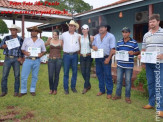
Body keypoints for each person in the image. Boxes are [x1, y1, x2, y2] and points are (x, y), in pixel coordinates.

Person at [105, 27, 140, 104]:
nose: (124, 34)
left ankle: (127, 97)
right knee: (119, 80)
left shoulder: (134, 42)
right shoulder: (119, 42)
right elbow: (117, 51)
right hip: (120, 65)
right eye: (123, 32)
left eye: (126, 32)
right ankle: (118, 95)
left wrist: (133, 53)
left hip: (129, 66)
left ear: (129, 33)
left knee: (128, 81)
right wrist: (114, 52)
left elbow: (138, 52)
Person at [139, 14, 163, 117]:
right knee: (151, 84)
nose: (151, 23)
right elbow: (144, 49)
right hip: (149, 64)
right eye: (150, 22)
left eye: (153, 21)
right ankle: (151, 103)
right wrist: (142, 56)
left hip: (160, 64)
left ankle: (161, 108)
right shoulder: (146, 35)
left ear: (158, 22)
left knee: (160, 85)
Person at [19, 26, 46, 97]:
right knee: (24, 76)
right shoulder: (26, 40)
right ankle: (23, 91)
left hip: (37, 60)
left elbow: (44, 50)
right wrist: (25, 53)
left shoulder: (41, 41)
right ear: (31, 32)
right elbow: (22, 49)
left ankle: (32, 90)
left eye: (35, 31)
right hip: (28, 60)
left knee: (35, 76)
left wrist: (41, 54)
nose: (33, 32)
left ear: (37, 32)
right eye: (32, 31)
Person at [92, 23, 116, 99]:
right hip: (98, 58)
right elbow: (93, 45)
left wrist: (108, 58)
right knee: (99, 74)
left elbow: (113, 49)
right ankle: (102, 90)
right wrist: (93, 47)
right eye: (99, 28)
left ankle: (109, 92)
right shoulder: (96, 37)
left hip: (106, 58)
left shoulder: (111, 36)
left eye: (102, 27)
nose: (100, 29)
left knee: (108, 75)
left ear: (106, 28)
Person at [0, 24, 24, 97]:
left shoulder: (20, 39)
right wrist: (3, 46)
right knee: (4, 75)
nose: (12, 31)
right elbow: (1, 46)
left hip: (16, 59)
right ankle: (4, 91)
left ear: (16, 31)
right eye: (11, 30)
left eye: (14, 30)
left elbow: (23, 49)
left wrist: (21, 57)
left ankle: (16, 91)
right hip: (7, 58)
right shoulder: (6, 38)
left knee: (17, 76)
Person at [61, 20, 80, 95]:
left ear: (75, 27)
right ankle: (66, 88)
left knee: (75, 72)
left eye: (72, 26)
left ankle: (73, 87)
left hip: (75, 55)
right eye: (70, 25)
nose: (71, 27)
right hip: (66, 55)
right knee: (66, 72)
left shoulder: (78, 35)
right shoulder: (63, 35)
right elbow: (60, 42)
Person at [45, 30, 63, 95]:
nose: (54, 36)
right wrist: (47, 40)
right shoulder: (50, 40)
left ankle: (55, 89)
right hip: (51, 59)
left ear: (58, 35)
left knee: (56, 75)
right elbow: (44, 45)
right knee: (50, 75)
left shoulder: (61, 41)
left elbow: (64, 49)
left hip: (58, 59)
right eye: (53, 35)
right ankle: (51, 89)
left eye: (55, 35)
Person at [79, 24, 94, 94]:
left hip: (88, 56)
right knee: (82, 71)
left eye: (85, 29)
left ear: (88, 30)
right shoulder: (80, 37)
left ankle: (85, 87)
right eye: (83, 29)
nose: (84, 30)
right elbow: (79, 46)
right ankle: (88, 84)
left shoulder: (91, 37)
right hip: (82, 56)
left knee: (87, 71)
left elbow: (93, 46)